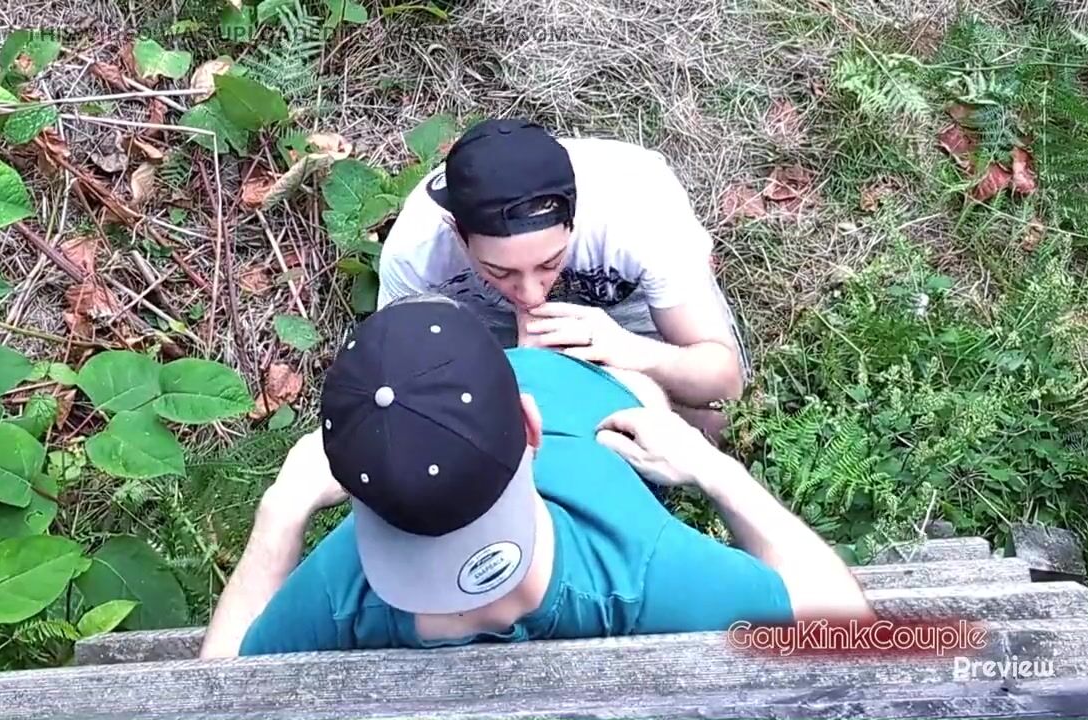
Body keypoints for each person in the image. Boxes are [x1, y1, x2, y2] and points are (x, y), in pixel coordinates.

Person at [199, 295, 873, 657]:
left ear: (348, 483)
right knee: (641, 397)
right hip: (587, 400)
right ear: (530, 426)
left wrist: (280, 516)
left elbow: (217, 691)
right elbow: (847, 627)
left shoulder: (343, 587)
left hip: (544, 394)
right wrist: (712, 468)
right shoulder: (637, 568)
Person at [376, 117, 748, 435]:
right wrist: (518, 372)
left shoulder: (639, 209)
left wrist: (625, 351)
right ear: (458, 234)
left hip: (627, 309)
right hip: (488, 321)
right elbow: (400, 388)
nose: (531, 295)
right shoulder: (417, 250)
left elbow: (724, 381)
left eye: (549, 263)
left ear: (574, 220)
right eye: (500, 271)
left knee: (713, 423)